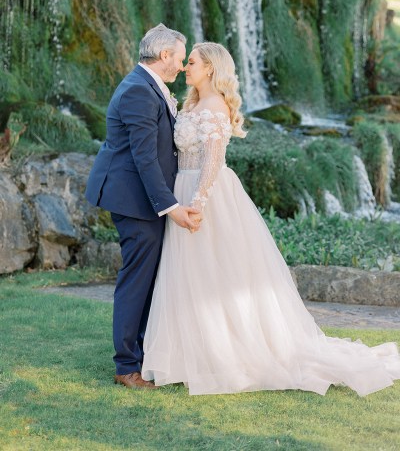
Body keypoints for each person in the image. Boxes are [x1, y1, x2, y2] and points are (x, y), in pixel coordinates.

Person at [142, 41, 400, 396]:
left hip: (206, 193)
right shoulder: (191, 104)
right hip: (181, 190)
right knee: (190, 274)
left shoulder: (215, 106)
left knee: (215, 273)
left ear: (211, 69)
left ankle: (224, 352)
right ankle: (193, 353)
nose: (186, 67)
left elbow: (214, 160)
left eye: (192, 62)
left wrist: (198, 202)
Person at [85, 24, 201, 389]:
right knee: (136, 281)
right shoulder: (138, 90)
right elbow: (144, 158)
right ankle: (126, 367)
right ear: (164, 55)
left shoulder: (149, 86)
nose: (183, 66)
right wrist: (171, 206)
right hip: (135, 201)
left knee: (148, 278)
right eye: (180, 59)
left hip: (143, 198)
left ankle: (143, 354)